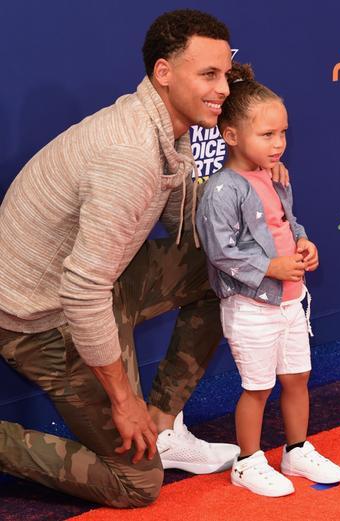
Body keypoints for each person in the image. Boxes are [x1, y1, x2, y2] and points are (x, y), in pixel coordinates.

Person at [0, 9, 245, 508]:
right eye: (209, 75)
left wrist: (253, 183)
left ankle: (163, 426)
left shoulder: (165, 125)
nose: (224, 89)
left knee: (233, 266)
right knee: (136, 484)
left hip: (94, 283)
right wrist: (122, 400)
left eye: (226, 73)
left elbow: (187, 226)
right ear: (163, 73)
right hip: (39, 323)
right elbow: (81, 292)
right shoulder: (129, 155)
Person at [196, 63, 340, 497]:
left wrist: (303, 243)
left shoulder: (276, 177)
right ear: (231, 136)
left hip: (291, 301)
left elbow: (287, 223)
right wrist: (270, 267)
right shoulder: (223, 190)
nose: (278, 143)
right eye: (267, 135)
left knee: (297, 376)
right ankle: (248, 462)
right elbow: (221, 250)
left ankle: (295, 450)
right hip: (250, 306)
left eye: (282, 133)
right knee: (257, 387)